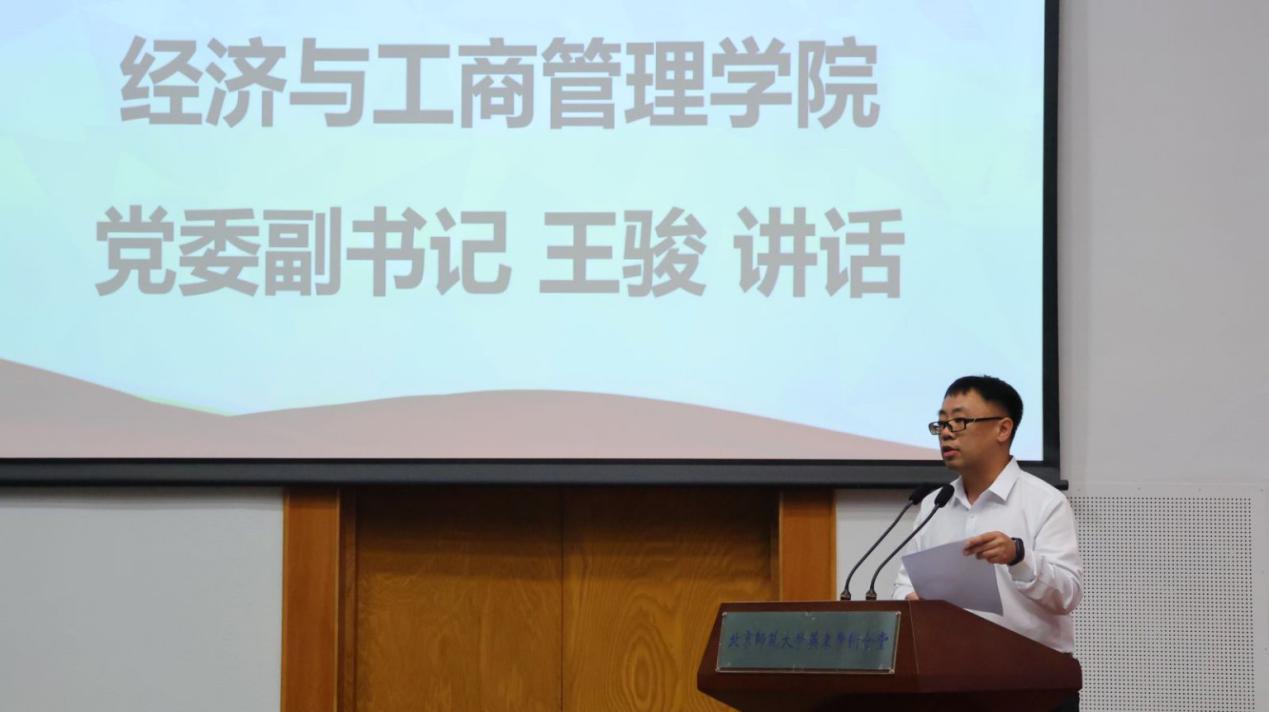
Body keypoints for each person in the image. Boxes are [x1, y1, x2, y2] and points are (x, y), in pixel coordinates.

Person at [892, 375, 1083, 711]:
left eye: (960, 421)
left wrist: (1018, 556)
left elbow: (1067, 595)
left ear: (1003, 429)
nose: (947, 432)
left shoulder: (1044, 502)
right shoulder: (934, 504)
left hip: (1032, 688)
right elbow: (904, 585)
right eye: (942, 423)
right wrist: (914, 602)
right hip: (949, 686)